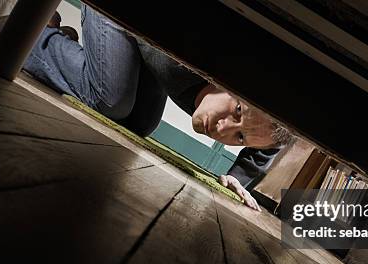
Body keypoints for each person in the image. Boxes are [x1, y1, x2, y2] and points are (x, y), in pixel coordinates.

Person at [17, 5, 291, 210]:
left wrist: (236, 180)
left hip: (143, 42)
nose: (222, 128)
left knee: (140, 123)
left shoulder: (265, 125)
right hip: (122, 10)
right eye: (238, 111)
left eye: (239, 137)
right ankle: (29, 35)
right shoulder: (206, 46)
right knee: (111, 101)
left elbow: (269, 145)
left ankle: (58, 42)